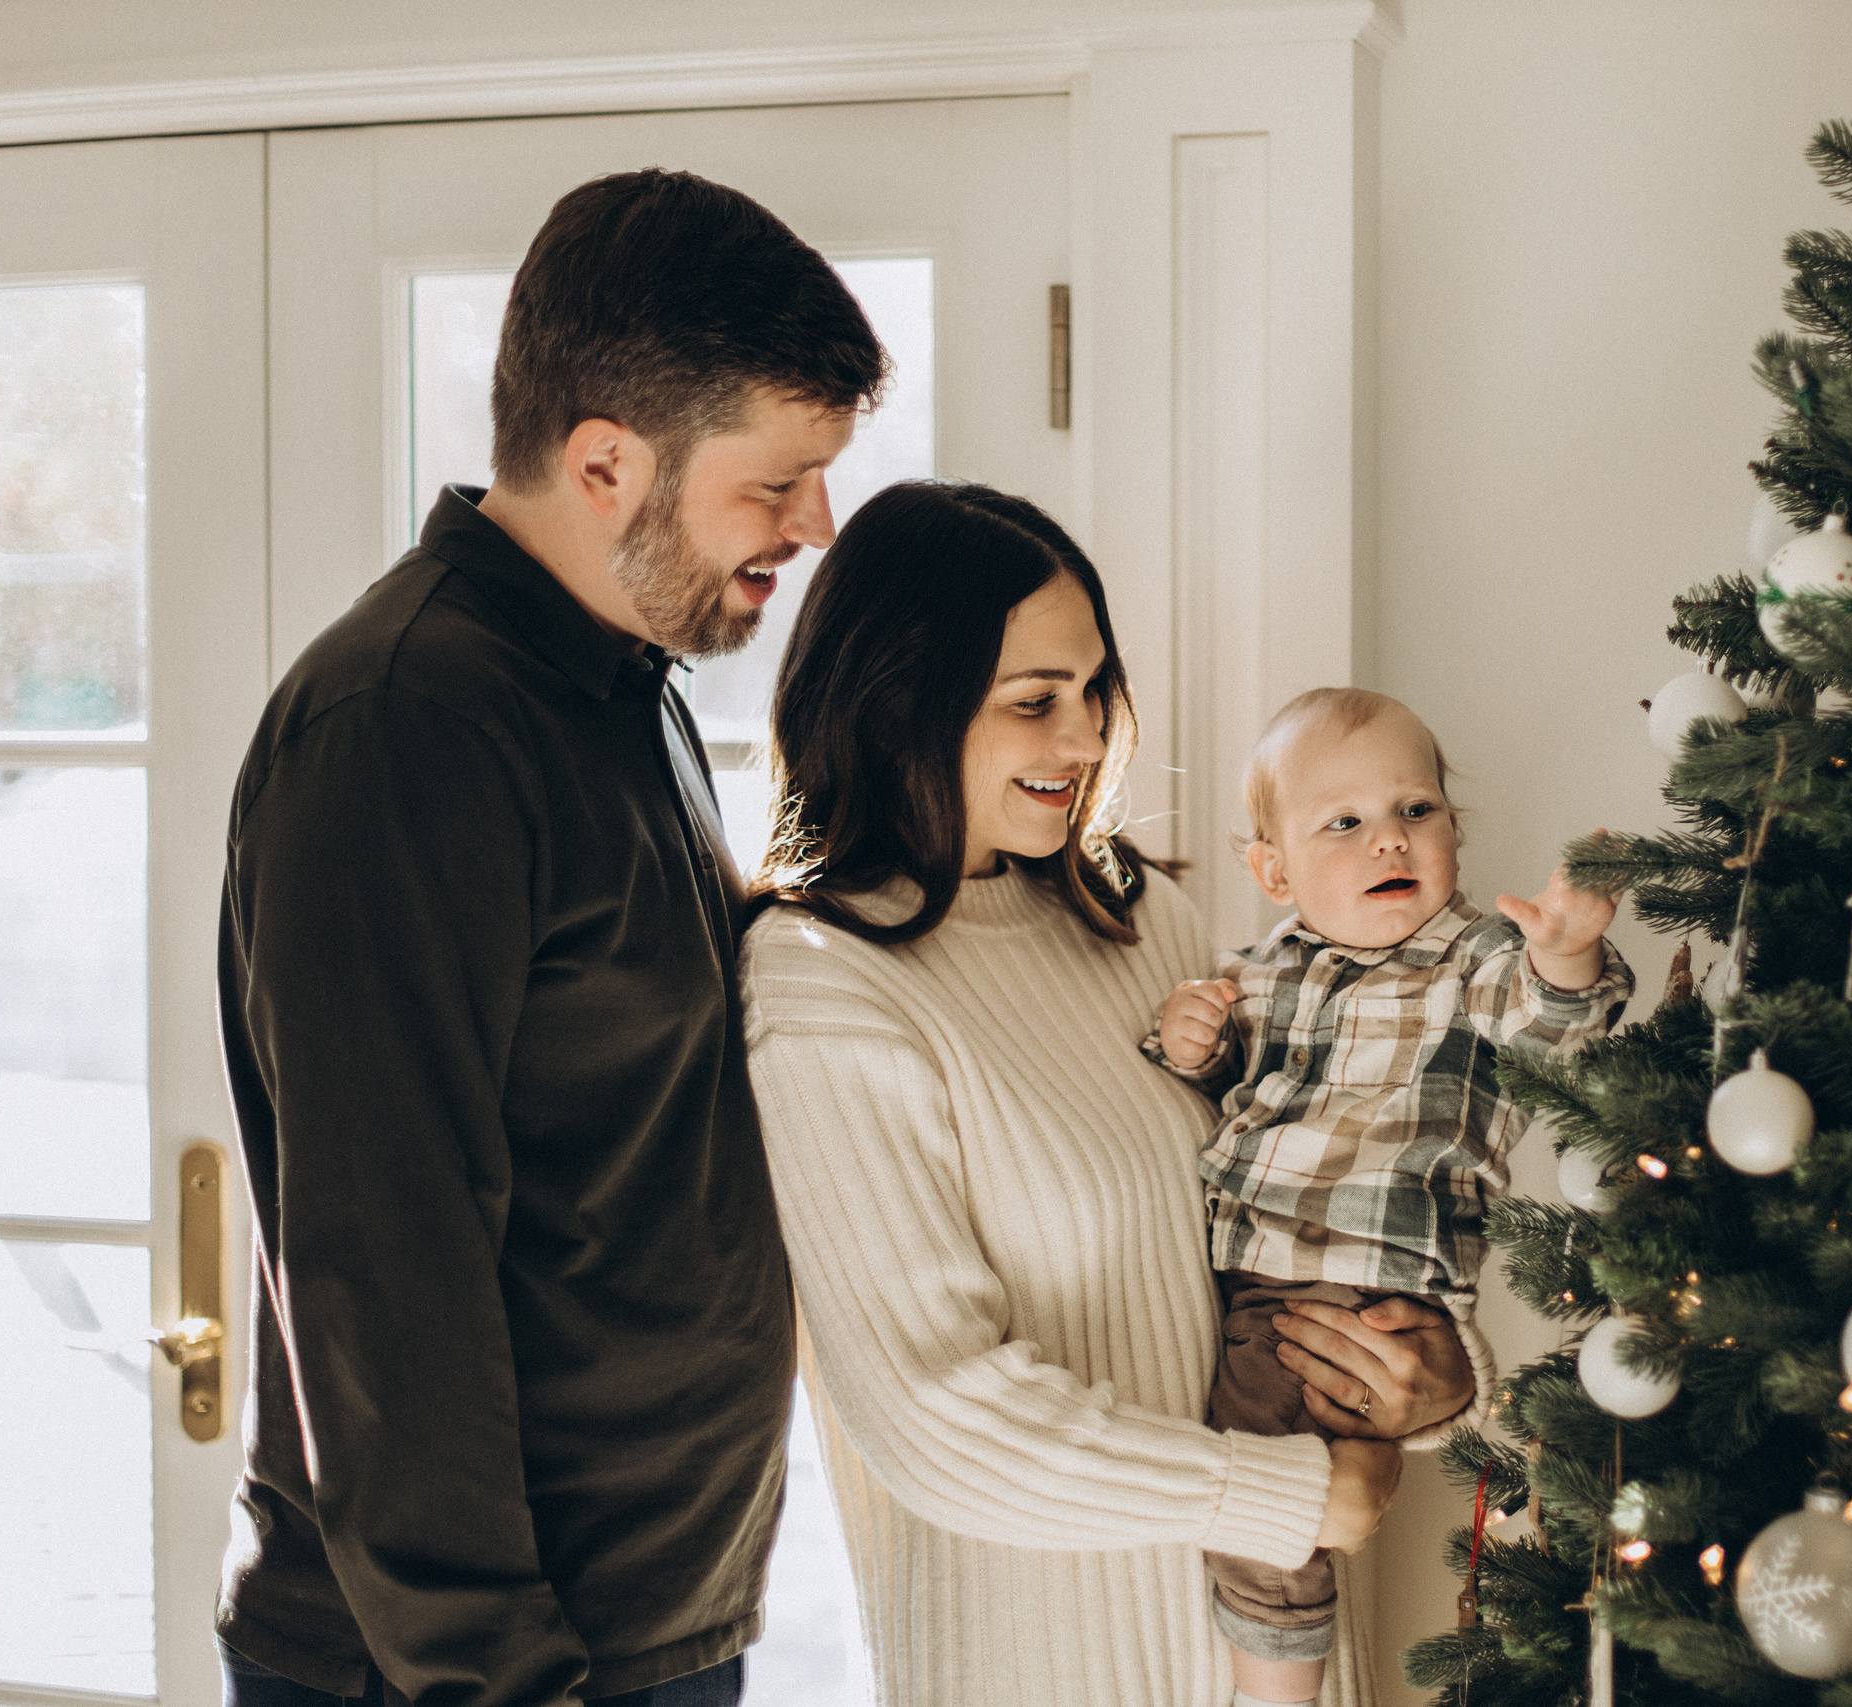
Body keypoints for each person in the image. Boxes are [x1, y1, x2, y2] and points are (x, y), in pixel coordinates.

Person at [214, 169, 884, 1707]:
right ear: (605, 463)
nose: (815, 523)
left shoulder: (622, 684)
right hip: (477, 1665)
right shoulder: (403, 727)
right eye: (775, 481)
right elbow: (386, 1265)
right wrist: (505, 1677)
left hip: (653, 1622)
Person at [741, 481, 1477, 1707]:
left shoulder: (1139, 918)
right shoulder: (822, 988)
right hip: (1045, 1670)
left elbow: (1319, 1195)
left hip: (1279, 1661)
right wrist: (1285, 1493)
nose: (1085, 742)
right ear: (898, 706)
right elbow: (938, 1417)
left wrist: (1428, 1376)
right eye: (1035, 701)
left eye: (1093, 691)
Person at [1148, 688, 1632, 1706]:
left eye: (1416, 810)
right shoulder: (1257, 973)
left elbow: (1554, 1035)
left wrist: (1565, 953)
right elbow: (1209, 1092)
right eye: (1344, 823)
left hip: (1368, 1289)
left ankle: (1273, 1696)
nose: (1388, 842)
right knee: (1272, 1492)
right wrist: (1190, 1037)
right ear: (1273, 869)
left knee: (1264, 1494)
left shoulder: (1480, 962)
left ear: (1453, 830)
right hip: (1252, 1286)